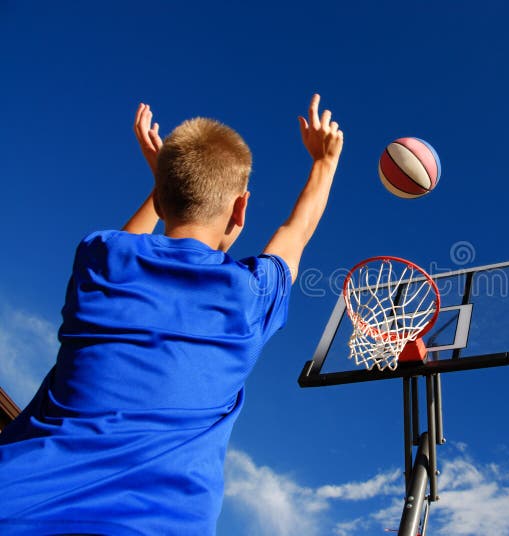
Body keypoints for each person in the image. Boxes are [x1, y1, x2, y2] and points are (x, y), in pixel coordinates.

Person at [0, 94, 343, 535]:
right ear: (241, 208)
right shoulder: (250, 295)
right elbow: (295, 233)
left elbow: (129, 242)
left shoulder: (101, 259)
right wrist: (325, 161)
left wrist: (163, 182)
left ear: (161, 200)